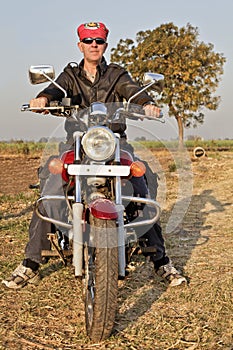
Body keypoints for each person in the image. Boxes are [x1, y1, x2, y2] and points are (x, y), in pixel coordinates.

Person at [2, 22, 187, 289]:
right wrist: (43, 98)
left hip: (113, 143)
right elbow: (55, 90)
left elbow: (132, 91)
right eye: (88, 40)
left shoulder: (116, 74)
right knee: (51, 185)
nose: (93, 45)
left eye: (98, 40)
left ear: (105, 45)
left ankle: (161, 261)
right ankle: (31, 261)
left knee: (141, 183)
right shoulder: (70, 75)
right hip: (76, 143)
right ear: (80, 45)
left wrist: (146, 104)